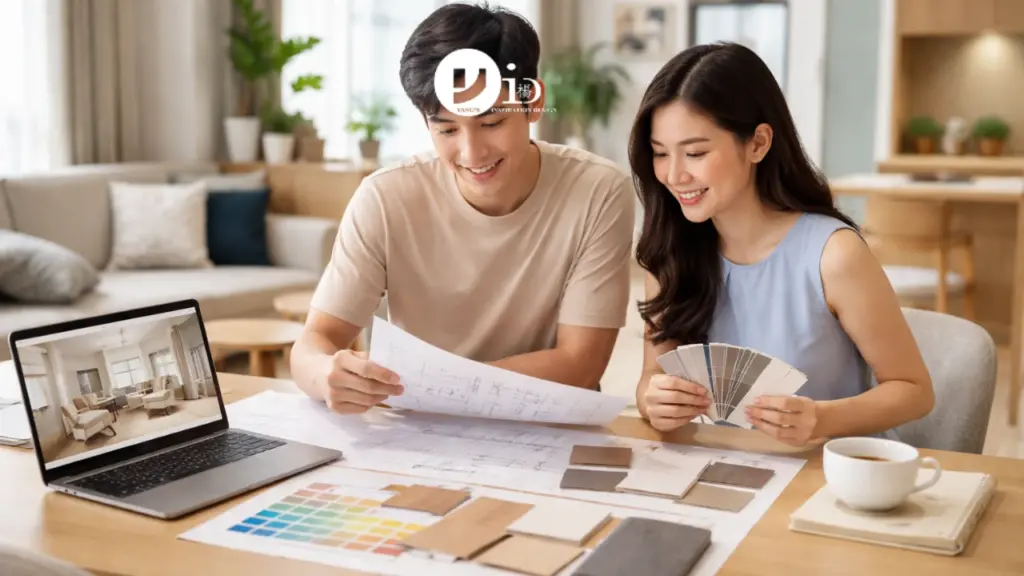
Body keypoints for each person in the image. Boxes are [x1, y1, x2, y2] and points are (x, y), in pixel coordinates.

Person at [291, 3, 635, 415]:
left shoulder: (598, 190)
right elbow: (315, 342)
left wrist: (439, 388)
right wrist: (325, 374)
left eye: (491, 123)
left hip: (546, 424)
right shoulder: (385, 198)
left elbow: (581, 364)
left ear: (533, 102)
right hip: (422, 430)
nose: (472, 153)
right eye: (448, 129)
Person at [629, 43, 934, 447]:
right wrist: (654, 400)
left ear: (758, 143)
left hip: (831, 473)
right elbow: (652, 378)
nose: (674, 175)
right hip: (727, 470)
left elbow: (915, 391)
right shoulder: (669, 254)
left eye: (696, 153)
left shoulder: (834, 255)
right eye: (660, 154)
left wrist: (822, 418)